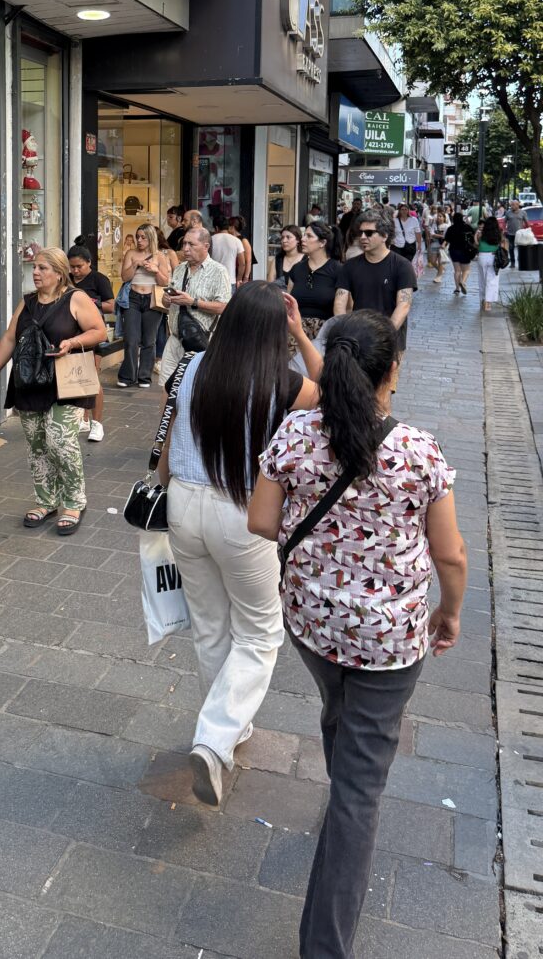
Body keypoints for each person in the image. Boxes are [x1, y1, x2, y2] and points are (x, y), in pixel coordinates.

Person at [249, 310, 466, 959]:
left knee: (338, 708)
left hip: (312, 623)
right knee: (360, 797)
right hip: (388, 642)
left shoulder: (297, 431)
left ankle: (341, 774)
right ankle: (324, 946)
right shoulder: (416, 450)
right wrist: (449, 610)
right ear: (392, 369)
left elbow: (262, 520)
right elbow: (449, 554)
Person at [158, 283, 322, 806]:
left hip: (183, 502)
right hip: (243, 512)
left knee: (209, 625)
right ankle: (215, 737)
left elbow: (168, 439)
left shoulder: (189, 368)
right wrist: (299, 329)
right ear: (276, 330)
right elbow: (333, 392)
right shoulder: (286, 383)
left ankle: (228, 725)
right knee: (258, 633)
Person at [0, 248, 106, 534]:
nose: (35, 273)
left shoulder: (76, 298)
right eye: (34, 267)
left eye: (42, 268)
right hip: (29, 382)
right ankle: (46, 500)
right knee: (37, 445)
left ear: (59, 274)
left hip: (65, 382)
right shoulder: (27, 303)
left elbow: (99, 331)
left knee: (60, 440)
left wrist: (72, 343)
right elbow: (10, 338)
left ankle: (74, 500)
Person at [333, 211, 416, 393]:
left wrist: (384, 333)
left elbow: (404, 304)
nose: (363, 237)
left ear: (385, 236)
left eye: (369, 233)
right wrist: (343, 330)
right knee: (353, 391)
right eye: (360, 233)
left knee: (382, 395)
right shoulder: (351, 266)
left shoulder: (401, 266)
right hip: (356, 339)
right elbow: (340, 301)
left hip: (388, 341)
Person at [159, 227, 231, 382]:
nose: (185, 249)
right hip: (175, 339)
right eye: (184, 244)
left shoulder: (219, 271)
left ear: (206, 246)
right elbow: (166, 304)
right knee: (167, 387)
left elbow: (224, 307)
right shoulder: (179, 269)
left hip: (200, 341)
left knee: (195, 386)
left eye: (191, 244)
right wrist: (166, 300)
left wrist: (193, 302)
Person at [67, 244, 114, 442]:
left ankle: (97, 424)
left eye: (79, 266)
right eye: (72, 267)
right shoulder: (67, 279)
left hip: (93, 331)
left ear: (89, 263)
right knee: (77, 378)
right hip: (72, 333)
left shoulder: (99, 279)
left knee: (92, 378)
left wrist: (88, 304)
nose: (76, 271)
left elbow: (111, 305)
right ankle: (84, 419)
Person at [118, 223, 171, 388]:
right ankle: (128, 376)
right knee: (131, 339)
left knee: (149, 339)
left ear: (151, 238)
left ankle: (144, 377)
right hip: (132, 298)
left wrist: (155, 270)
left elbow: (165, 282)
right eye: (137, 237)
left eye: (143, 237)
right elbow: (124, 277)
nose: (139, 240)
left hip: (152, 299)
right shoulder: (131, 253)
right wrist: (135, 265)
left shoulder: (160, 256)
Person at [287, 220, 344, 341]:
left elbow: (345, 309)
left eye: (309, 236)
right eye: (304, 235)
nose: (303, 239)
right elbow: (288, 305)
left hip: (325, 334)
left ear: (322, 242)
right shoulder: (297, 269)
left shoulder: (339, 270)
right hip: (295, 333)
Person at [475, 215, 508, 312]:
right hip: (493, 257)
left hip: (482, 257)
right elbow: (503, 244)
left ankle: (482, 300)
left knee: (482, 279)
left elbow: (476, 244)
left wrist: (476, 238)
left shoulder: (481, 234)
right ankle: (488, 303)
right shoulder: (499, 234)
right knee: (492, 280)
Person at [444, 211, 476, 295]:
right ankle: (463, 282)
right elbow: (473, 238)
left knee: (457, 271)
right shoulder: (467, 227)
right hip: (465, 250)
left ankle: (457, 289)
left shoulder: (451, 228)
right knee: (466, 270)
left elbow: (446, 240)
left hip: (453, 251)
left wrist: (443, 246)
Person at [210, 216, 245, 292]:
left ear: (216, 228)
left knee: (212, 304)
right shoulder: (236, 241)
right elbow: (242, 263)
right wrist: (239, 279)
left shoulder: (210, 240)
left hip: (213, 281)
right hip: (230, 281)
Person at [229, 215, 254, 281]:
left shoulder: (243, 240)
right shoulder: (231, 239)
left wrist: (245, 278)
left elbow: (248, 261)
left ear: (232, 227)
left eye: (228, 226)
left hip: (241, 275)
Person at [504, 200, 528, 269]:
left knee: (520, 249)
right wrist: (504, 230)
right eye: (511, 205)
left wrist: (528, 230)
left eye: (513, 205)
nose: (512, 206)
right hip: (510, 234)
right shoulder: (508, 213)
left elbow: (526, 222)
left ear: (518, 205)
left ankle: (520, 261)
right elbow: (504, 222)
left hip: (520, 234)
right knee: (511, 249)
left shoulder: (523, 212)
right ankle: (512, 263)